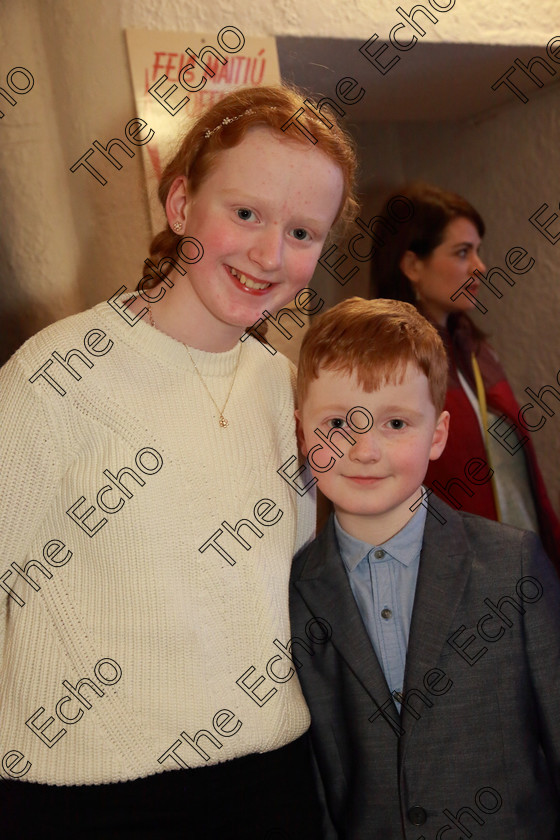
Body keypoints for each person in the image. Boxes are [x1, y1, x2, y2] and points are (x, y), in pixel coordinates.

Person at [0, 85, 357, 838]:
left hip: (275, 779)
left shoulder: (281, 385)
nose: (269, 255)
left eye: (302, 231)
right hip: (92, 793)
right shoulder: (54, 374)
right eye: (246, 213)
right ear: (181, 204)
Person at [289, 297, 560, 839]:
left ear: (437, 435)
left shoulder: (511, 565)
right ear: (302, 434)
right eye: (339, 423)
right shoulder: (292, 589)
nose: (365, 450)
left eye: (395, 422)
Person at [371, 181, 560, 570]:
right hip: (454, 578)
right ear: (412, 266)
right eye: (462, 252)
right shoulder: (389, 365)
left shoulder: (475, 352)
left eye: (477, 250)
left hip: (523, 568)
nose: (480, 266)